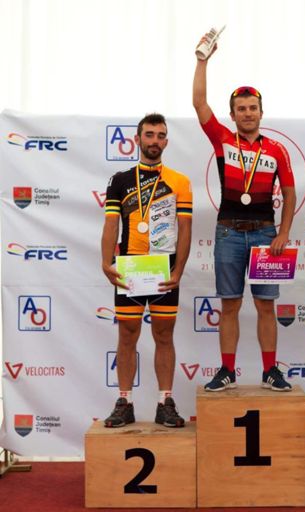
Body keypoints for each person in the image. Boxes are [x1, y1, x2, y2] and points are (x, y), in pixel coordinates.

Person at [193, 34, 297, 392]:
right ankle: (227, 370)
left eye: (253, 108)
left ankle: (270, 371)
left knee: (266, 305)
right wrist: (202, 60)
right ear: (233, 114)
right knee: (230, 305)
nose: (248, 113)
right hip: (229, 232)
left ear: (261, 112)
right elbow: (199, 103)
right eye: (241, 109)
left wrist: (284, 233)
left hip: (266, 234)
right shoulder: (223, 139)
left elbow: (289, 192)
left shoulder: (277, 149)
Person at [101, 113, 192, 428]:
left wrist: (179, 270)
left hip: (163, 267)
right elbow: (111, 224)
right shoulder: (119, 180)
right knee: (127, 334)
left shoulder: (180, 181)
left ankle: (165, 402)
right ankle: (124, 401)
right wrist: (106, 262)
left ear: (166, 141)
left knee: (164, 335)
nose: (155, 140)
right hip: (130, 267)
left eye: (160, 135)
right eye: (149, 134)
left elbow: (185, 228)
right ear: (137, 140)